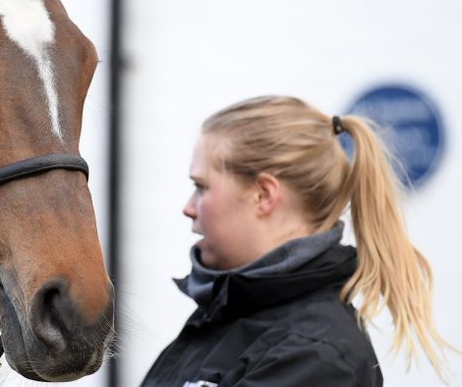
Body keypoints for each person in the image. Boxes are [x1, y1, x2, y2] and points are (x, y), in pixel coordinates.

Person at [141, 95, 453, 386]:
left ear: (264, 195)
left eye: (201, 186)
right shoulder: (228, 312)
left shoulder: (315, 354)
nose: (188, 207)